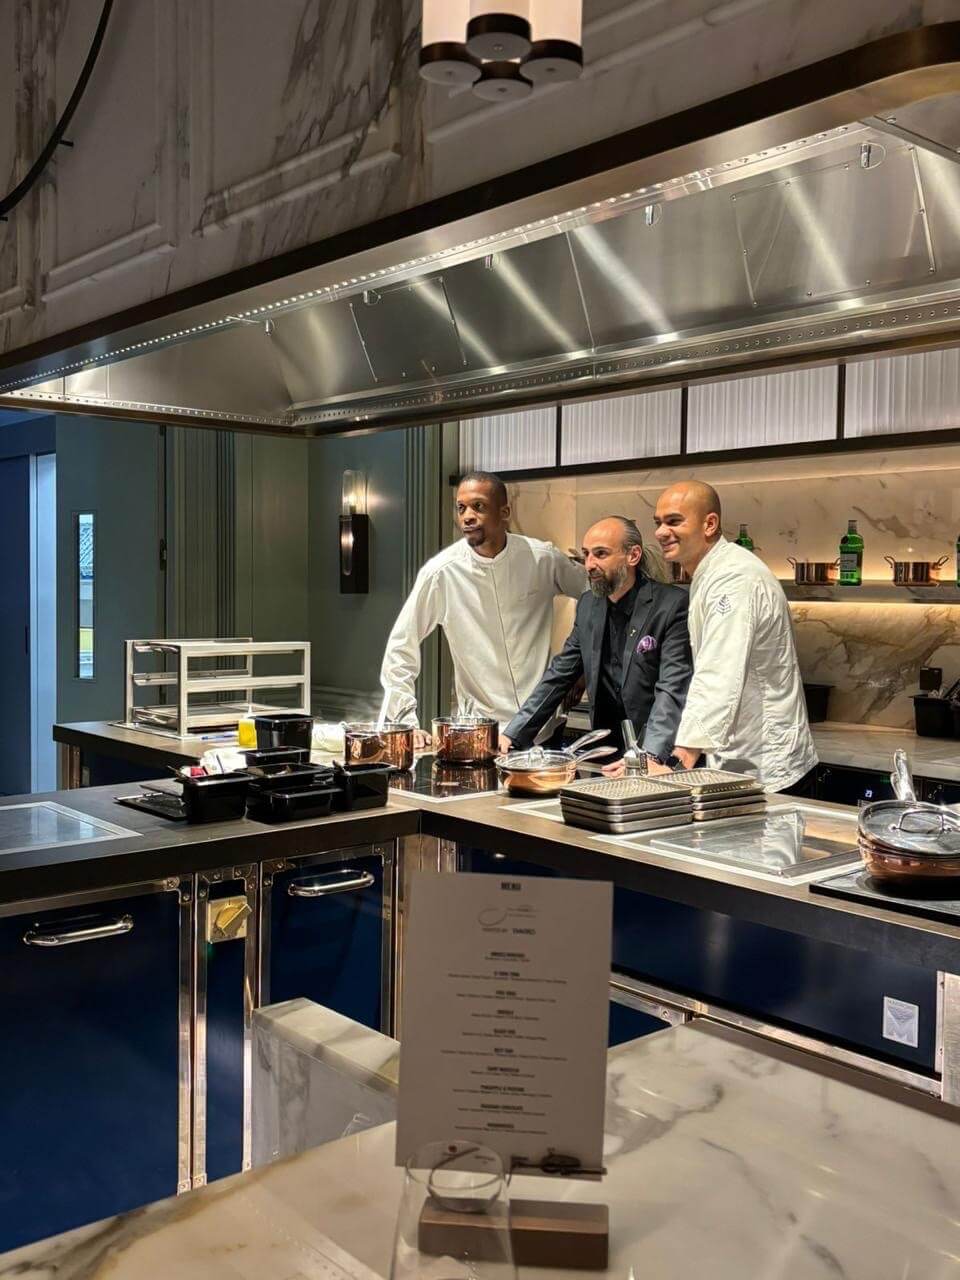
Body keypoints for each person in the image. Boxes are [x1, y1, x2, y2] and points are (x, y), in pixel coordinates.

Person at [379, 471, 587, 746]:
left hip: (543, 727)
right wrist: (405, 720)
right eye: (461, 508)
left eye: (478, 506)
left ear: (504, 512)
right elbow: (400, 646)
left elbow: (596, 597)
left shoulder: (542, 558)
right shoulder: (441, 573)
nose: (467, 516)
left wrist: (583, 670)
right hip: (481, 734)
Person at [651, 479, 817, 792]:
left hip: (768, 768)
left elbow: (719, 670)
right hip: (736, 762)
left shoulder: (735, 578)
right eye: (658, 522)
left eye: (673, 521)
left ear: (710, 524)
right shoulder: (712, 573)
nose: (661, 532)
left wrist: (680, 760)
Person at [499, 516, 692, 762]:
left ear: (633, 555)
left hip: (655, 748)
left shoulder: (671, 605)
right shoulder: (588, 605)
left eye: (601, 554)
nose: (589, 565)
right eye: (586, 554)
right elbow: (559, 675)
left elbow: (671, 690)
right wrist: (513, 735)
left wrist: (649, 757)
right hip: (606, 749)